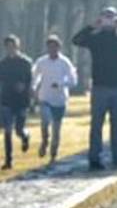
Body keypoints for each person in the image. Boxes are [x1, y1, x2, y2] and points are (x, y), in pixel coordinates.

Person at [72, 7, 117, 169]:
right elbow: (76, 40)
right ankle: (94, 158)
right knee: (96, 125)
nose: (108, 20)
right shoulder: (95, 39)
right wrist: (92, 26)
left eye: (111, 17)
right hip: (99, 87)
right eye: (106, 16)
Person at [31, 35, 77, 163]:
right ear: (47, 48)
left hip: (60, 100)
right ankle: (45, 141)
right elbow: (35, 76)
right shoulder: (41, 62)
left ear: (59, 48)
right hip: (45, 97)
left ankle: (53, 153)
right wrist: (33, 88)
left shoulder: (65, 62)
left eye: (54, 47)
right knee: (45, 121)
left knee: (56, 129)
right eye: (50, 47)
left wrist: (61, 84)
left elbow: (73, 80)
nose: (52, 49)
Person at [0, 35, 33, 170]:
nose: (10, 49)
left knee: (19, 129)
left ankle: (25, 136)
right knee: (7, 130)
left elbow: (30, 81)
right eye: (8, 46)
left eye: (12, 46)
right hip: (6, 100)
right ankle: (9, 160)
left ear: (17, 46)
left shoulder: (25, 62)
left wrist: (24, 87)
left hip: (21, 101)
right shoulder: (3, 64)